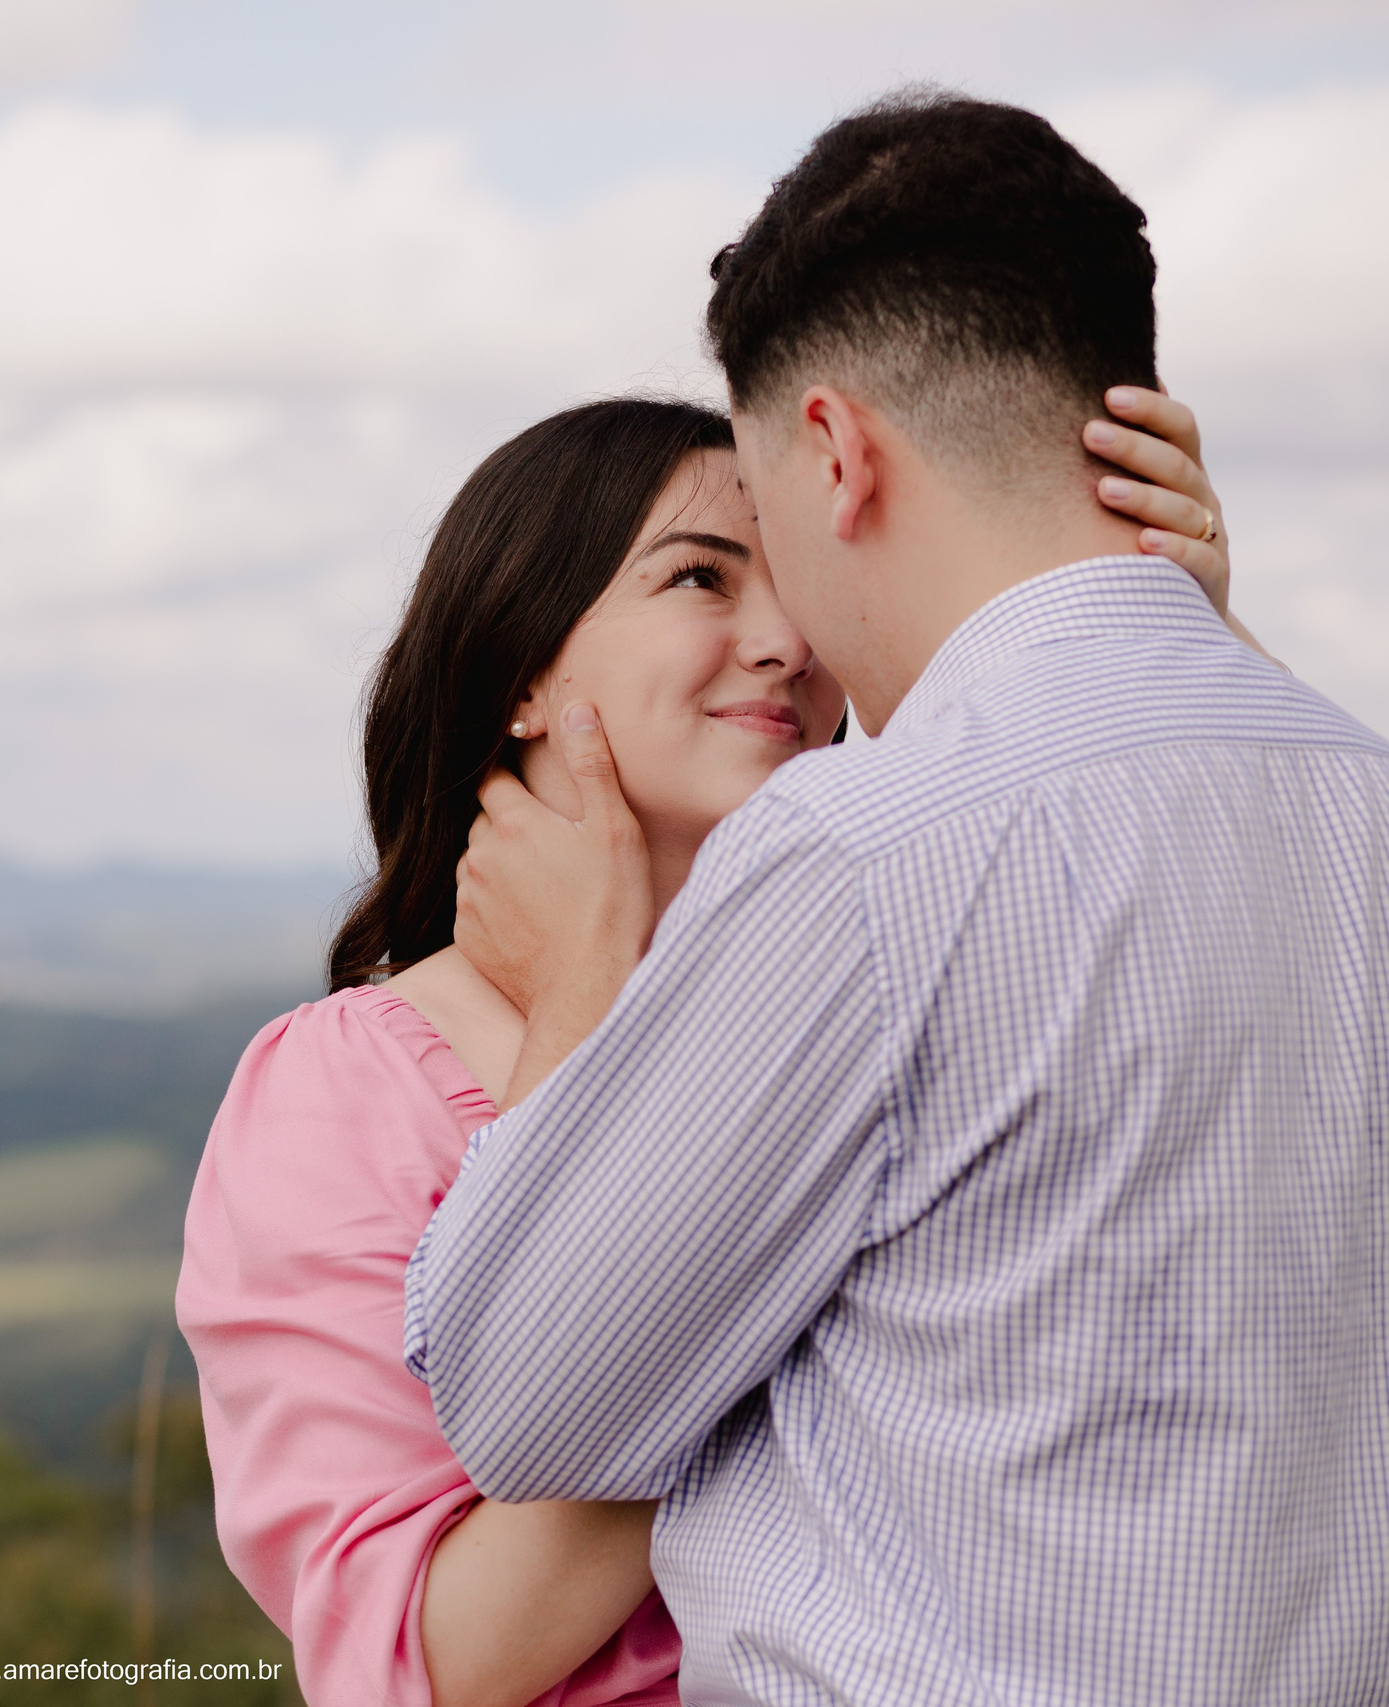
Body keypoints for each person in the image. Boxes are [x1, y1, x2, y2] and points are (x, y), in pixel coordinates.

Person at [404, 91, 1389, 1705]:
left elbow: (522, 1394)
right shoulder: (1361, 791)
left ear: (836, 452)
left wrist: (580, 988)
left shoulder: (869, 849)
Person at [177, 375, 1234, 1700]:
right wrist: (588, 1025)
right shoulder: (341, 1089)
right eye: (699, 579)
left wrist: (1180, 633)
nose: (786, 640)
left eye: (795, 581)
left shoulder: (895, 984)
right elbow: (439, 1657)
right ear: (519, 666)